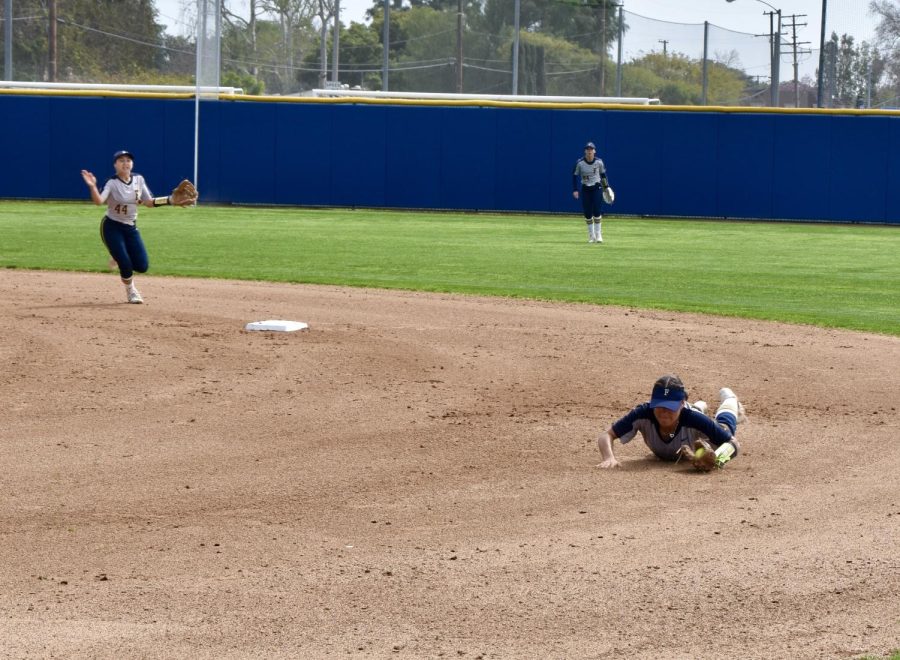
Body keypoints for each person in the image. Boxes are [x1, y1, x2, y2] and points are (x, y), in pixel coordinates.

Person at [81, 150, 176, 304]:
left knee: (142, 266)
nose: (125, 163)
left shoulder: (138, 179)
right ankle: (131, 291)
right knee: (125, 263)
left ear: (132, 164)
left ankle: (117, 254)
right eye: (121, 160)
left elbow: (149, 202)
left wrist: (170, 200)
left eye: (128, 160)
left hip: (130, 227)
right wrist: (92, 186)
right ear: (115, 165)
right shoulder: (112, 183)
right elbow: (99, 201)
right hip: (111, 227)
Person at [597, 374, 746, 469]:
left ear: (681, 403)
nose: (664, 412)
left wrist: (717, 460)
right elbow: (607, 435)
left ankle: (730, 401)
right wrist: (609, 458)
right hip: (690, 417)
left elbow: (734, 443)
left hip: (697, 421)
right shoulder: (643, 412)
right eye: (660, 405)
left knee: (725, 426)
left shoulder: (693, 419)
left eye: (670, 407)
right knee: (696, 416)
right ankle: (699, 406)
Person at [572, 141, 611, 244]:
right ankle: (591, 235)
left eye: (591, 149)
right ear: (585, 151)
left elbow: (603, 175)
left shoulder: (599, 162)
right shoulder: (580, 163)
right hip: (585, 189)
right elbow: (575, 176)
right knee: (587, 212)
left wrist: (606, 187)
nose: (589, 151)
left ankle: (598, 235)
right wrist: (575, 189)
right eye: (587, 149)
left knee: (597, 210)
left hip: (597, 187)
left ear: (594, 151)